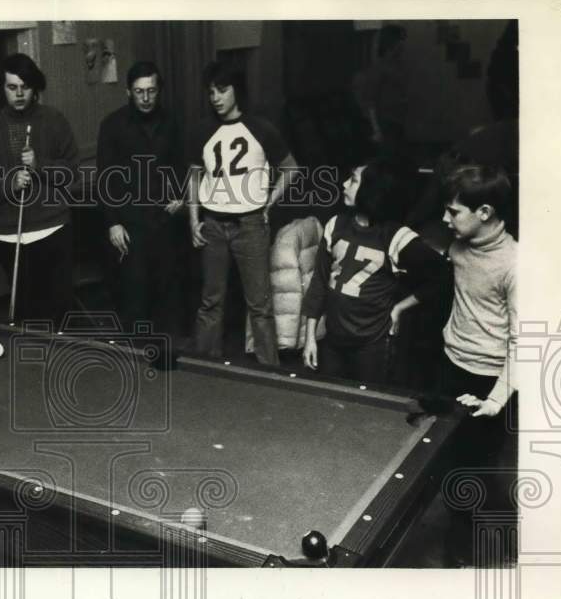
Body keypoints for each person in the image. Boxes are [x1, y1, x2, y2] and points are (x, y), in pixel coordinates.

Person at [188, 61, 298, 364]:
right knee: (211, 302)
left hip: (250, 224)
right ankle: (205, 370)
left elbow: (290, 169)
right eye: (211, 92)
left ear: (238, 90)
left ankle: (269, 373)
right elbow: (194, 177)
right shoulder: (201, 130)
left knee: (260, 306)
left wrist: (269, 202)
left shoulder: (261, 128)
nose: (215, 97)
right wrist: (194, 220)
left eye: (222, 90)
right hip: (213, 224)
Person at [301, 157, 447, 385]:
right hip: (332, 341)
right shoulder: (335, 224)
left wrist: (400, 307)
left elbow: (443, 276)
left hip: (372, 346)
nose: (344, 185)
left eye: (353, 180)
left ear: (371, 190)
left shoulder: (396, 237)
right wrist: (310, 338)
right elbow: (319, 283)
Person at [437, 164, 518, 567]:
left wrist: (498, 398)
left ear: (484, 212)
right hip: (453, 363)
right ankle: (459, 553)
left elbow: (524, 341)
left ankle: (507, 556)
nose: (445, 219)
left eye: (453, 212)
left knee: (479, 471)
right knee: (452, 462)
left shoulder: (516, 265)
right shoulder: (457, 248)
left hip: (490, 379)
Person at [0, 53, 79, 329]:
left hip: (53, 229)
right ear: (2, 88)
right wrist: (10, 183)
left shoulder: (54, 120)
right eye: (11, 87)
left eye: (25, 86)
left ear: (35, 88)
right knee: (27, 315)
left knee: (59, 313)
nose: (19, 94)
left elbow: (72, 173)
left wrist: (40, 165)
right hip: (11, 235)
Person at [96, 60, 185, 334]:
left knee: (169, 295)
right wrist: (113, 223)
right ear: (128, 92)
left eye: (151, 91)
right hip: (129, 224)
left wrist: (180, 196)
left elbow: (181, 166)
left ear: (159, 91)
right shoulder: (111, 125)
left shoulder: (173, 122)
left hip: (165, 221)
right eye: (139, 91)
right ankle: (134, 360)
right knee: (133, 298)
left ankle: (171, 362)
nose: (145, 98)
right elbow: (105, 178)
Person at [353, 24, 409, 157]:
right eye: (400, 40)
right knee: (388, 160)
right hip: (385, 123)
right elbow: (370, 101)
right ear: (392, 43)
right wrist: (376, 130)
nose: (403, 45)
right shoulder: (379, 68)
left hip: (397, 121)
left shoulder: (396, 66)